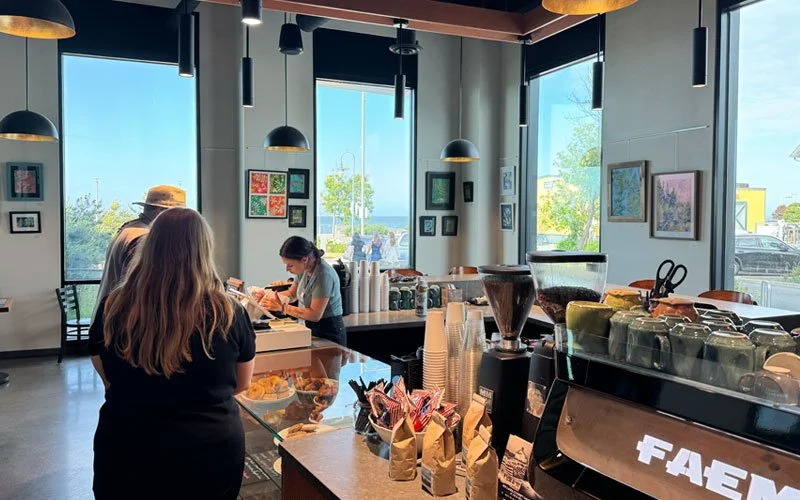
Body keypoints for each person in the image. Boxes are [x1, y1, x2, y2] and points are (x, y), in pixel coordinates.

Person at [88, 208, 256, 500]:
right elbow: (242, 383)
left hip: (126, 446)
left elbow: (106, 373)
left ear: (149, 246)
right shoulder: (228, 313)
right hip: (209, 450)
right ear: (204, 250)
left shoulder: (113, 307)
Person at [92, 185, 186, 320]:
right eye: (175, 215)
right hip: (122, 323)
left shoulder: (128, 229)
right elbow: (137, 289)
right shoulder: (143, 238)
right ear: (160, 212)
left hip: (109, 318)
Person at [261, 236, 346, 346]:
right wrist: (267, 296)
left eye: (290, 265)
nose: (287, 269)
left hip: (329, 330)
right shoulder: (305, 269)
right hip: (311, 327)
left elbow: (315, 315)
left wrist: (283, 308)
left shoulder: (324, 275)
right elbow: (292, 294)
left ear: (305, 259)